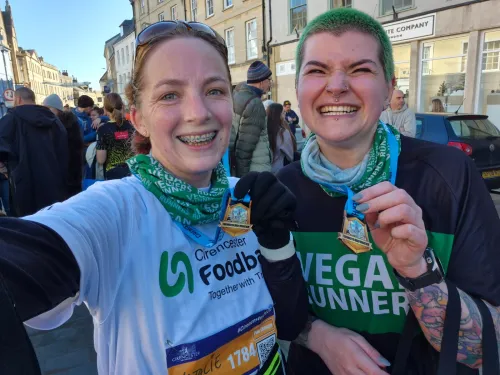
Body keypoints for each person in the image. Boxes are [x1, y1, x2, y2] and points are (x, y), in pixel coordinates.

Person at [0, 21, 307, 374]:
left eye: (215, 90)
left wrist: (277, 244)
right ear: (139, 119)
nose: (198, 112)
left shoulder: (246, 198)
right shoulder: (116, 210)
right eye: (169, 95)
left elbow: (289, 321)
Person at [277, 8, 500, 375]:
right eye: (316, 70)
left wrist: (417, 269)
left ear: (389, 88)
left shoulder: (447, 175)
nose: (335, 86)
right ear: (298, 89)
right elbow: (268, 303)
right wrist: (316, 335)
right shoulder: (281, 189)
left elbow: (485, 347)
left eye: (360, 69)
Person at [0, 87, 68, 217]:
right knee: (52, 222)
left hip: (23, 185)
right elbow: (64, 149)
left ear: (18, 99)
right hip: (53, 182)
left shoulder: (11, 118)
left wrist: (4, 170)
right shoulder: (53, 119)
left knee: (28, 225)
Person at [230, 60, 273, 177]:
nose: (270, 84)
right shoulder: (255, 104)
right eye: (269, 80)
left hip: (238, 167)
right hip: (256, 171)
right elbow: (244, 149)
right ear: (261, 81)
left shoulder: (237, 96)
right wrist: (243, 180)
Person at [43, 94, 84, 198]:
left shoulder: (62, 124)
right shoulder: (54, 123)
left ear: (57, 109)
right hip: (66, 170)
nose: (46, 111)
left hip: (69, 169)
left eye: (48, 108)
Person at [96, 93, 134, 180]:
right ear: (123, 106)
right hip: (134, 171)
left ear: (105, 109)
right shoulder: (133, 126)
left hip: (113, 175)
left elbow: (101, 160)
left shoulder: (102, 130)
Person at [267, 103, 296, 173]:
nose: (285, 115)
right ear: (279, 115)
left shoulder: (262, 130)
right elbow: (290, 156)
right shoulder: (282, 132)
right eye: (283, 113)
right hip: (278, 170)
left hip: (262, 170)